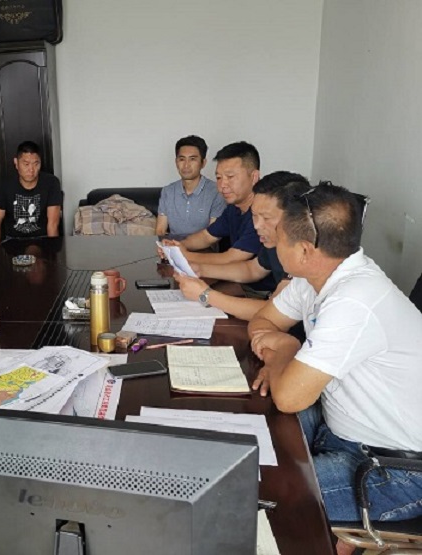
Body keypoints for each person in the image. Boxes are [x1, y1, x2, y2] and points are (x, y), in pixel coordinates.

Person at [246, 183, 422, 554]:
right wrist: (282, 351)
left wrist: (286, 348)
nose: (274, 245)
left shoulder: (355, 299)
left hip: (396, 469)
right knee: (248, 430)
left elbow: (290, 396)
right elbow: (262, 321)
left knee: (250, 488)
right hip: (342, 429)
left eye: (280, 237)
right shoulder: (318, 277)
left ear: (305, 250)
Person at [173, 172, 310, 320]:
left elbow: (273, 311)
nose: (257, 225)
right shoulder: (274, 241)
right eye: (254, 216)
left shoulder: (306, 255)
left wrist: (205, 295)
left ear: (297, 218)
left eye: (266, 218)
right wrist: (201, 269)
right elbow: (252, 269)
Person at [162, 141, 262, 268]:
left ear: (254, 177)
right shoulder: (233, 208)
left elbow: (232, 258)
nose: (222, 185)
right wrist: (178, 246)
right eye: (219, 178)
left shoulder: (262, 212)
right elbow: (206, 236)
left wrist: (183, 255)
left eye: (230, 176)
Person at [0, 141, 63, 248]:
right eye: (26, 164)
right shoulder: (5, 185)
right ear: (16, 163)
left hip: (42, 239)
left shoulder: (51, 183)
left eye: (36, 164)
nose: (31, 170)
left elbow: (53, 225)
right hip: (13, 240)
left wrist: (53, 253)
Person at [156, 135, 226, 238]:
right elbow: (160, 230)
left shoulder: (216, 191)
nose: (186, 165)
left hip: (205, 247)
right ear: (176, 162)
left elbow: (213, 234)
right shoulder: (168, 191)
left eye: (192, 159)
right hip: (173, 246)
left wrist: (185, 245)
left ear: (203, 163)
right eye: (182, 159)